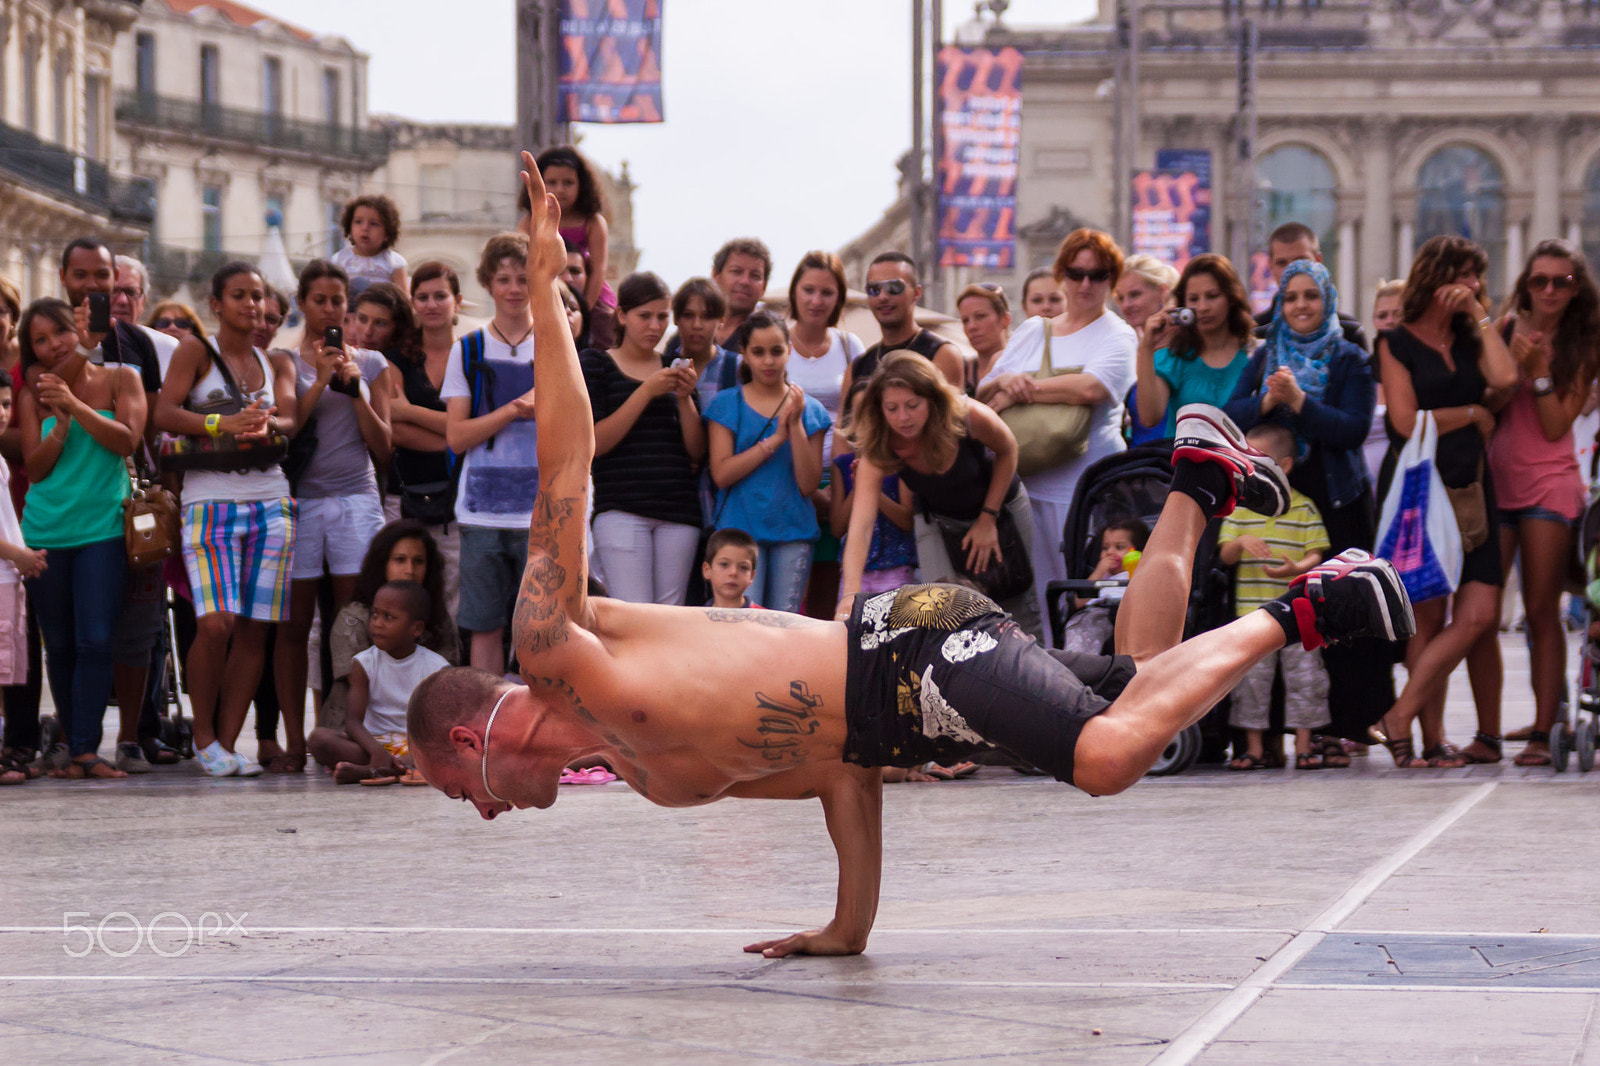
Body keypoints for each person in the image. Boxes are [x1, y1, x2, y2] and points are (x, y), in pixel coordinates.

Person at [407, 153, 1416, 959]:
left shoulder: (553, 643)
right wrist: (848, 928)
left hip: (910, 650)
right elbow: (845, 767)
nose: (485, 814)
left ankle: (1309, 607)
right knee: (1151, 682)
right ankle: (1198, 481)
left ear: (469, 744)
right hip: (899, 701)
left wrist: (545, 300)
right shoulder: (647, 776)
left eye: (461, 795)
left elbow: (564, 462)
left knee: (1108, 758)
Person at [1221, 260, 1383, 756]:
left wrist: (1302, 403)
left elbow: (1353, 428)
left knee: (1341, 616)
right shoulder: (1268, 353)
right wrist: (1269, 406)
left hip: (1335, 502)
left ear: (1328, 299)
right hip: (1274, 500)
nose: (1301, 306)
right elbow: (1232, 412)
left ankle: (1340, 730)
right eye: (1290, 298)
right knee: (1275, 614)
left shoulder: (1350, 357)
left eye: (1311, 296)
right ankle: (1265, 737)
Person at [1371, 235, 1517, 768]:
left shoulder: (1473, 334)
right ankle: (1428, 740)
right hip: (1419, 489)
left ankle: (1396, 717)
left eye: (1478, 277)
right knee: (1427, 619)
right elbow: (1406, 423)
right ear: (1435, 277)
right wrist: (1472, 415)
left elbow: (1505, 379)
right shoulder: (1394, 342)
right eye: (1464, 275)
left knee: (1480, 614)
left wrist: (1479, 316)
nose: (1473, 285)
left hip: (1473, 486)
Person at [156, 262, 299, 776]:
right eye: (239, 295)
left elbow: (291, 418)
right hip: (209, 499)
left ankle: (228, 746)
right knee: (216, 623)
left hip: (270, 498)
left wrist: (266, 424)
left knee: (255, 630)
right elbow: (165, 413)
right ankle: (204, 737)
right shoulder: (195, 351)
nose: (251, 305)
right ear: (216, 303)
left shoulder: (275, 359)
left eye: (258, 296)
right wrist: (221, 421)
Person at [1462, 240, 1600, 767]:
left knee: (1542, 611)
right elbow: (1489, 406)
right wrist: (1510, 372)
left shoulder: (1585, 342)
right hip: (1496, 481)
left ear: (1575, 288)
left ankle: (1545, 731)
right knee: (1481, 614)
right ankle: (1488, 733)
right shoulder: (1502, 329)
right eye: (1539, 280)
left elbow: (1555, 423)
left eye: (1561, 282)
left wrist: (1539, 369)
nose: (1548, 291)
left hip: (1549, 485)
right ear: (1525, 283)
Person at [979, 229, 1138, 625]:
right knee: (1039, 604)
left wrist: (1020, 391)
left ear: (1111, 280)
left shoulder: (1117, 333)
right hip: (1028, 491)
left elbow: (1092, 387)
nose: (1085, 283)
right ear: (1061, 274)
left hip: (1089, 493)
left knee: (1090, 604)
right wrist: (1003, 382)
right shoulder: (1034, 329)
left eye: (1098, 275)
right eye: (1076, 272)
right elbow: (982, 390)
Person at [17, 297, 144, 779]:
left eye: (60, 333)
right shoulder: (32, 396)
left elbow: (127, 440)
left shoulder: (120, 379)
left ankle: (87, 749)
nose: (52, 347)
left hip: (103, 532)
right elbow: (38, 469)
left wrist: (74, 406)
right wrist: (60, 426)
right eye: (40, 341)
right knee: (62, 646)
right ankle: (76, 752)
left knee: (96, 641)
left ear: (81, 330)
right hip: (46, 533)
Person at [274, 259, 393, 773]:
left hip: (355, 500)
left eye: (338, 302)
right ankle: (295, 738)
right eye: (319, 301)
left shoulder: (371, 364)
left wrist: (354, 387)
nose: (329, 310)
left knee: (352, 622)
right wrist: (320, 380)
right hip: (300, 503)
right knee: (296, 624)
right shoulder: (281, 361)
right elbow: (288, 429)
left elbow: (385, 449)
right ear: (303, 303)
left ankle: (348, 727)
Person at [842, 352, 1041, 640]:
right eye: (892, 408)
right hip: (939, 517)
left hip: (1000, 506)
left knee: (1013, 600)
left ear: (932, 399)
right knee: (941, 607)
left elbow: (1008, 449)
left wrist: (988, 518)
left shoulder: (966, 413)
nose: (903, 418)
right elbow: (860, 527)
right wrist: (849, 594)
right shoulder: (879, 443)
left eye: (912, 405)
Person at [442, 232, 539, 675]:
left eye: (523, 278)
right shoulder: (468, 348)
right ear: (488, 283)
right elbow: (457, 436)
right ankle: (488, 726)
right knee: (483, 627)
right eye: (504, 279)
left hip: (542, 512)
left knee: (537, 629)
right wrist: (515, 410)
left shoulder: (557, 348)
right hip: (482, 512)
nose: (515, 288)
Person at [582, 272, 705, 605]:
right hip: (620, 507)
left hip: (678, 511)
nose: (654, 325)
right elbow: (595, 442)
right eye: (644, 316)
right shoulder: (596, 363)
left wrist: (684, 397)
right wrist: (647, 391)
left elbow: (697, 452)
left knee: (669, 618)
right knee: (632, 614)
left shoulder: (673, 366)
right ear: (621, 315)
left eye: (662, 316)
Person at [1217, 424, 1333, 770]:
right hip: (1252, 616)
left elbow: (1317, 555)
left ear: (1284, 465)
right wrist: (1239, 543)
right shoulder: (1238, 507)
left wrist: (1298, 566)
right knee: (1252, 680)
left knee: (1306, 679)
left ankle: (1303, 744)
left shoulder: (1304, 508)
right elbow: (1224, 556)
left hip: (1299, 614)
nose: (1248, 464)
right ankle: (1253, 747)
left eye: (1257, 458)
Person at [704, 312, 830, 613]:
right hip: (739, 534)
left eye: (776, 351)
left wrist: (796, 425)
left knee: (784, 625)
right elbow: (721, 473)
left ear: (789, 350)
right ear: (744, 355)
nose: (768, 361)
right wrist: (775, 440)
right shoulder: (726, 403)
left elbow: (808, 483)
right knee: (743, 624)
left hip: (793, 531)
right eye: (758, 352)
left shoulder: (810, 409)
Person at [319, 519, 461, 735]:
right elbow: (351, 683)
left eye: (419, 561)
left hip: (418, 727)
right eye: (400, 560)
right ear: (382, 563)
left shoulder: (438, 617)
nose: (410, 570)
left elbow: (444, 685)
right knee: (323, 740)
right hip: (360, 728)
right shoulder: (354, 617)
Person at [786, 250, 865, 617]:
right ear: (794, 292)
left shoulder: (851, 347)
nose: (816, 300)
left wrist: (836, 487)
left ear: (839, 298)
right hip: (785, 476)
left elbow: (855, 416)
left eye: (827, 292)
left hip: (839, 478)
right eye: (809, 290)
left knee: (827, 585)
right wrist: (811, 490)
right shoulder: (776, 342)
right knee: (786, 589)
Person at [310, 580, 448, 784]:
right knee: (318, 739)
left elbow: (440, 727)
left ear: (416, 628)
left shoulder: (436, 668)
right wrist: (376, 751)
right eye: (374, 614)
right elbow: (352, 722)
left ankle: (373, 772)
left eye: (388, 617)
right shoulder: (364, 663)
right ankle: (393, 768)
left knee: (449, 748)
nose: (377, 623)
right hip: (375, 745)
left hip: (417, 747)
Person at [384, 263, 463, 615]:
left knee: (454, 597)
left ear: (457, 301)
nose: (432, 304)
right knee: (407, 595)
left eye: (440, 296)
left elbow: (405, 415)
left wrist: (412, 412)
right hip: (407, 495)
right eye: (423, 297)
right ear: (413, 303)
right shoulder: (397, 359)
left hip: (459, 499)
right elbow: (394, 428)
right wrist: (459, 435)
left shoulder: (471, 355)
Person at [1135, 253, 1255, 439]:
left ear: (1231, 298)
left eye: (1212, 296)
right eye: (1193, 299)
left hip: (1240, 464)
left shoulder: (1253, 354)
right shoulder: (1173, 356)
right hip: (1184, 463)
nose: (1203, 307)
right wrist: (1146, 347)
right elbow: (1149, 417)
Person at [829, 381, 917, 596]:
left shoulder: (900, 462)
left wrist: (872, 489)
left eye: (873, 414)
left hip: (896, 570)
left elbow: (907, 520)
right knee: (850, 626)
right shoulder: (841, 465)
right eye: (860, 415)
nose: (867, 423)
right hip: (856, 573)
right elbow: (837, 527)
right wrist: (858, 486)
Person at [0, 376, 46, 785]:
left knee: (10, 665)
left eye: (3, 404)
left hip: (9, 579)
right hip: (4, 572)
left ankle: (10, 749)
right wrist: (18, 554)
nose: (0, 413)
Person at [842, 252, 964, 396]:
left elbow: (951, 415)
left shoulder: (942, 355)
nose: (883, 297)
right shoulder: (857, 368)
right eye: (874, 289)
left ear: (916, 293)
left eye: (894, 287)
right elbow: (845, 418)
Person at [538, 146, 615, 349]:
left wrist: (584, 311)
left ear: (582, 185)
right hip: (547, 295)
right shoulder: (531, 222)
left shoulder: (593, 222)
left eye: (568, 183)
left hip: (591, 294)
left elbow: (599, 270)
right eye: (552, 182)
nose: (560, 189)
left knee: (608, 334)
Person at [1253, 222, 1369, 352]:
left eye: (1301, 261)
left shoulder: (1349, 332)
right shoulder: (1255, 332)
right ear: (1271, 267)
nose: (1292, 269)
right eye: (1282, 263)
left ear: (1318, 261)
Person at [1115, 254, 1181, 445]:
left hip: (1171, 460)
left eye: (1135, 294)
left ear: (1162, 291)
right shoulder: (1134, 346)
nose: (1126, 305)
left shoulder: (1180, 345)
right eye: (1120, 298)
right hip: (1139, 462)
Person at [1061, 518, 1148, 655]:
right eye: (1105, 548)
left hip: (1133, 615)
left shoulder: (1142, 572)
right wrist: (1100, 571)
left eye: (1119, 547)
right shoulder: (1101, 576)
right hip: (1099, 612)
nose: (1110, 552)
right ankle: (1078, 666)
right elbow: (1078, 603)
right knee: (1082, 627)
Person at [672, 277, 739, 410]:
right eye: (688, 315)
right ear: (676, 319)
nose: (697, 325)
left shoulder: (738, 368)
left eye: (707, 316)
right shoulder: (663, 366)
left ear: (721, 321)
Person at [333, 193, 408, 295]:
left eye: (374, 224)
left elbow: (403, 298)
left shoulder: (394, 262)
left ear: (387, 233)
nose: (365, 228)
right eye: (358, 222)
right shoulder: (339, 260)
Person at [955, 283, 1011, 397]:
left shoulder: (1023, 363)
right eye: (965, 320)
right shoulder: (958, 370)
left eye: (980, 316)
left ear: (1005, 319)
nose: (972, 326)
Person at [702, 528, 761, 609]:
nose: (733, 572)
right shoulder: (695, 618)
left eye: (743, 567)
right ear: (707, 570)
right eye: (724, 564)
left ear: (751, 576)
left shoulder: (765, 619)